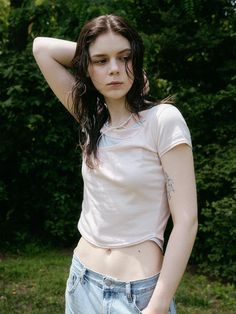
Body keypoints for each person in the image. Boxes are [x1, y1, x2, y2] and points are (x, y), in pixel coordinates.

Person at [33, 14, 198, 314]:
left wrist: (158, 305)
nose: (115, 69)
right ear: (87, 67)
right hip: (82, 281)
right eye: (101, 61)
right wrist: (88, 56)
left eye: (125, 57)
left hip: (138, 295)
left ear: (137, 59)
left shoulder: (163, 121)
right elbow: (41, 48)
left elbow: (187, 222)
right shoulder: (92, 119)